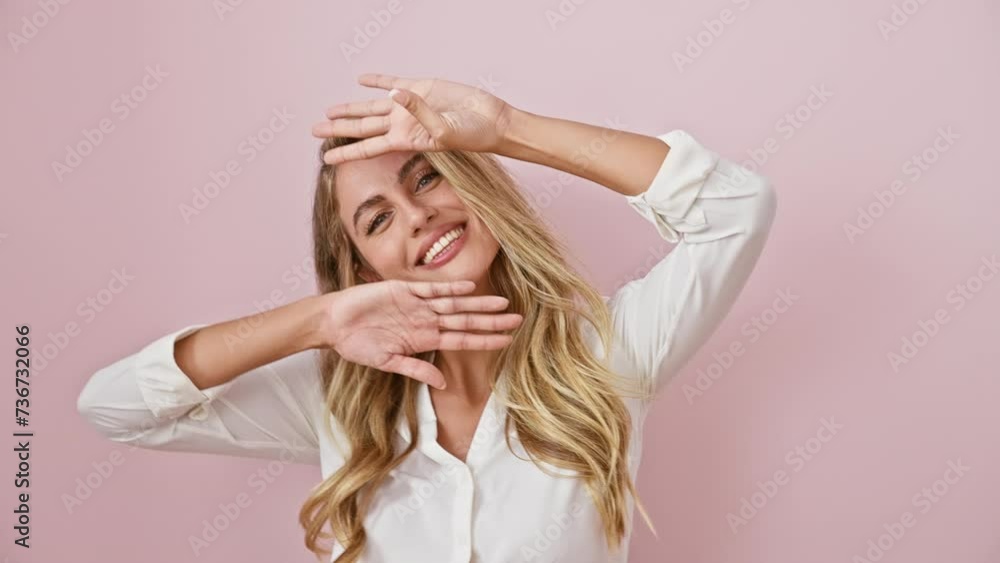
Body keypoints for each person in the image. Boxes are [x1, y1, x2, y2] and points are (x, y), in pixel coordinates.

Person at [77, 73, 778, 563]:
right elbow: (113, 405)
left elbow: (735, 209)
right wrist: (317, 320)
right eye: (377, 219)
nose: (418, 217)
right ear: (363, 267)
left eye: (427, 176)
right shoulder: (338, 405)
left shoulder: (606, 356)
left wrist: (506, 127)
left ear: (469, 177)